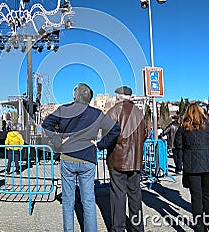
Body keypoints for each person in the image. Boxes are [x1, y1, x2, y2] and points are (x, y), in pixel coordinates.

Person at [42, 83, 120, 232]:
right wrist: (100, 144)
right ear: (89, 98)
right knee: (89, 201)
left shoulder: (64, 110)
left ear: (75, 96)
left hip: (68, 158)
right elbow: (115, 129)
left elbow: (47, 124)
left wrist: (58, 142)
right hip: (87, 159)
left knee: (68, 202)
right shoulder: (97, 114)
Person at [104, 86, 148, 232]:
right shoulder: (139, 113)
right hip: (135, 160)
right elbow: (145, 133)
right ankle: (137, 227)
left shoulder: (114, 111)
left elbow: (108, 135)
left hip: (118, 159)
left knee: (118, 195)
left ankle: (118, 228)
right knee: (135, 195)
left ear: (119, 96)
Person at [174, 104, 209, 232]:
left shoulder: (184, 127)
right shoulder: (208, 125)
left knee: (196, 197)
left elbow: (178, 144)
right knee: (207, 193)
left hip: (192, 164)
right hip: (208, 162)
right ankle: (208, 220)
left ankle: (199, 227)